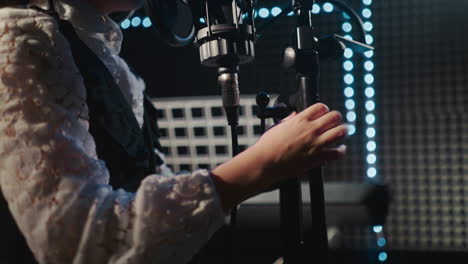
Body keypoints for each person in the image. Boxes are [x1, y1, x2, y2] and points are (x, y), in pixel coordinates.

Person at [0, 0, 348, 263]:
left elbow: (153, 223)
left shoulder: (97, 54)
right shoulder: (17, 39)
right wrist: (262, 163)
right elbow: (80, 244)